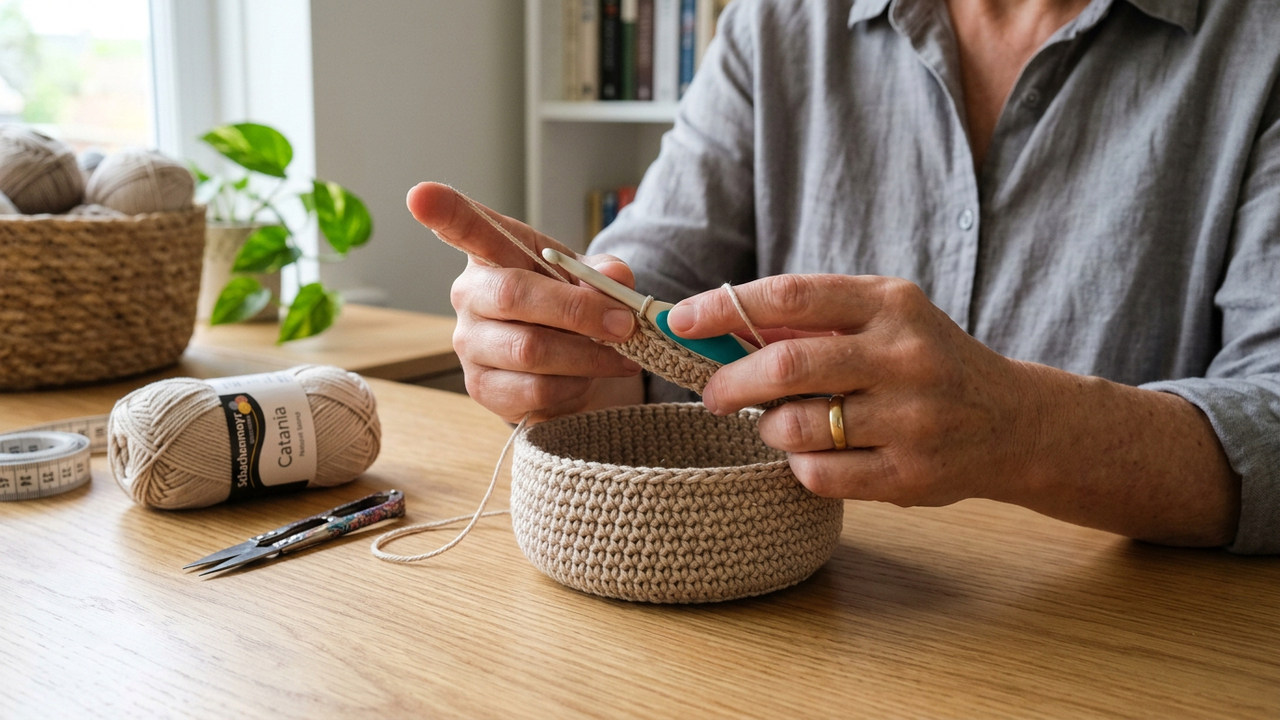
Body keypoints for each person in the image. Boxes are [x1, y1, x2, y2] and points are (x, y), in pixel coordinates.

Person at [407, 0, 1280, 554]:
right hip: (801, 629)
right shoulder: (776, 23)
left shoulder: (1259, 44)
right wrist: (575, 349)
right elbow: (653, 283)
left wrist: (1022, 425)